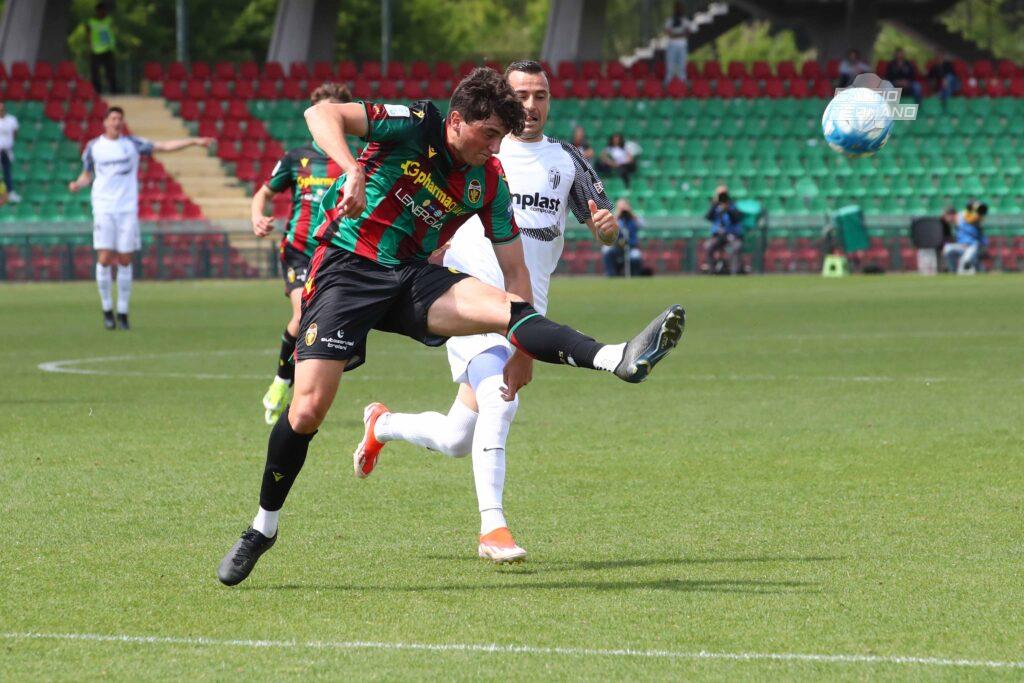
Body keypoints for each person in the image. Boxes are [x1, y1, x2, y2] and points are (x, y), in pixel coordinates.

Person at [216, 68, 685, 586]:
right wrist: (349, 168)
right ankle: (263, 527)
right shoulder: (416, 123)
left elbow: (516, 272)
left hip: (412, 277)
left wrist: (523, 348)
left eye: (501, 140)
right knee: (307, 410)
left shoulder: (488, 179)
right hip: (348, 267)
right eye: (488, 136)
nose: (494, 148)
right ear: (457, 121)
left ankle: (614, 357)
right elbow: (320, 114)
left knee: (509, 311)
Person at [358, 60, 617, 563]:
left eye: (540, 95)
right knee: (502, 401)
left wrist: (607, 228)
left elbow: (601, 223)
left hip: (525, 312)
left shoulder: (567, 160)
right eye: (521, 95)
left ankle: (381, 425)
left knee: (458, 437)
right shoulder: (477, 157)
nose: (531, 105)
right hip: (468, 301)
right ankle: (492, 529)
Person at [252, 83, 352, 425]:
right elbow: (263, 193)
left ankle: (300, 388)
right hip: (297, 249)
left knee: (323, 322)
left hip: (335, 255)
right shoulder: (296, 158)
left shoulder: (355, 163)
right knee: (302, 314)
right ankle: (283, 382)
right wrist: (257, 215)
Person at [69, 107, 212, 330]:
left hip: (126, 209)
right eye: (113, 118)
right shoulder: (94, 147)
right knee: (105, 257)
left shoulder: (132, 144)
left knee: (125, 259)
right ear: (105, 122)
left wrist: (193, 141)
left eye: (119, 119)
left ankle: (123, 311)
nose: (116, 122)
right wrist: (78, 184)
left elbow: (163, 147)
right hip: (104, 207)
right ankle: (107, 308)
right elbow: (87, 174)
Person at [703, 185, 744, 274]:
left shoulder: (732, 205)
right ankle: (712, 271)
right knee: (708, 246)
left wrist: (728, 208)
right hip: (719, 235)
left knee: (736, 246)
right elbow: (708, 217)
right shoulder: (715, 206)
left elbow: (737, 218)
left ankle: (735, 271)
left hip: (731, 234)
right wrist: (715, 205)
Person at [603, 198, 646, 277]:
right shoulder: (614, 218)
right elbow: (607, 231)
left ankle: (635, 276)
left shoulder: (633, 218)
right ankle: (611, 275)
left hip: (631, 247)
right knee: (606, 250)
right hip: (617, 247)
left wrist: (631, 214)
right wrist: (616, 218)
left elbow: (643, 225)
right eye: (620, 207)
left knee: (636, 255)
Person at [942, 200, 987, 274]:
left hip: (974, 245)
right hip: (963, 247)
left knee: (966, 264)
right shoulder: (955, 224)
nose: (945, 218)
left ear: (951, 214)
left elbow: (976, 215)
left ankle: (971, 266)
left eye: (946, 216)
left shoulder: (962, 216)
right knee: (947, 249)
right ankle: (953, 271)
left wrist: (975, 207)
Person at [87, 2, 118, 94]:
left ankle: (114, 90)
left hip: (108, 49)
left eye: (105, 11)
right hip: (96, 50)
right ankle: (97, 90)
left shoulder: (109, 21)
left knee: (110, 71)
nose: (103, 13)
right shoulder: (91, 22)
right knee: (95, 72)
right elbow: (88, 35)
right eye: (101, 11)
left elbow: (113, 32)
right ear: (97, 11)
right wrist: (89, 46)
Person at [663, 1, 693, 84]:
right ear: (674, 9)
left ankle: (682, 84)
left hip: (682, 46)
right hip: (671, 46)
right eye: (677, 8)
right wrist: (680, 34)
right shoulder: (669, 21)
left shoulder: (685, 21)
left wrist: (675, 34)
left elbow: (687, 33)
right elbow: (668, 34)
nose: (679, 10)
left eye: (680, 8)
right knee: (670, 67)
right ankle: (667, 85)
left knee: (682, 67)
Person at [0, 102, 20, 203]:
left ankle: (10, 192)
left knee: (7, 171)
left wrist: (10, 143)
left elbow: (15, 132)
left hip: (7, 150)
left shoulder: (11, 120)